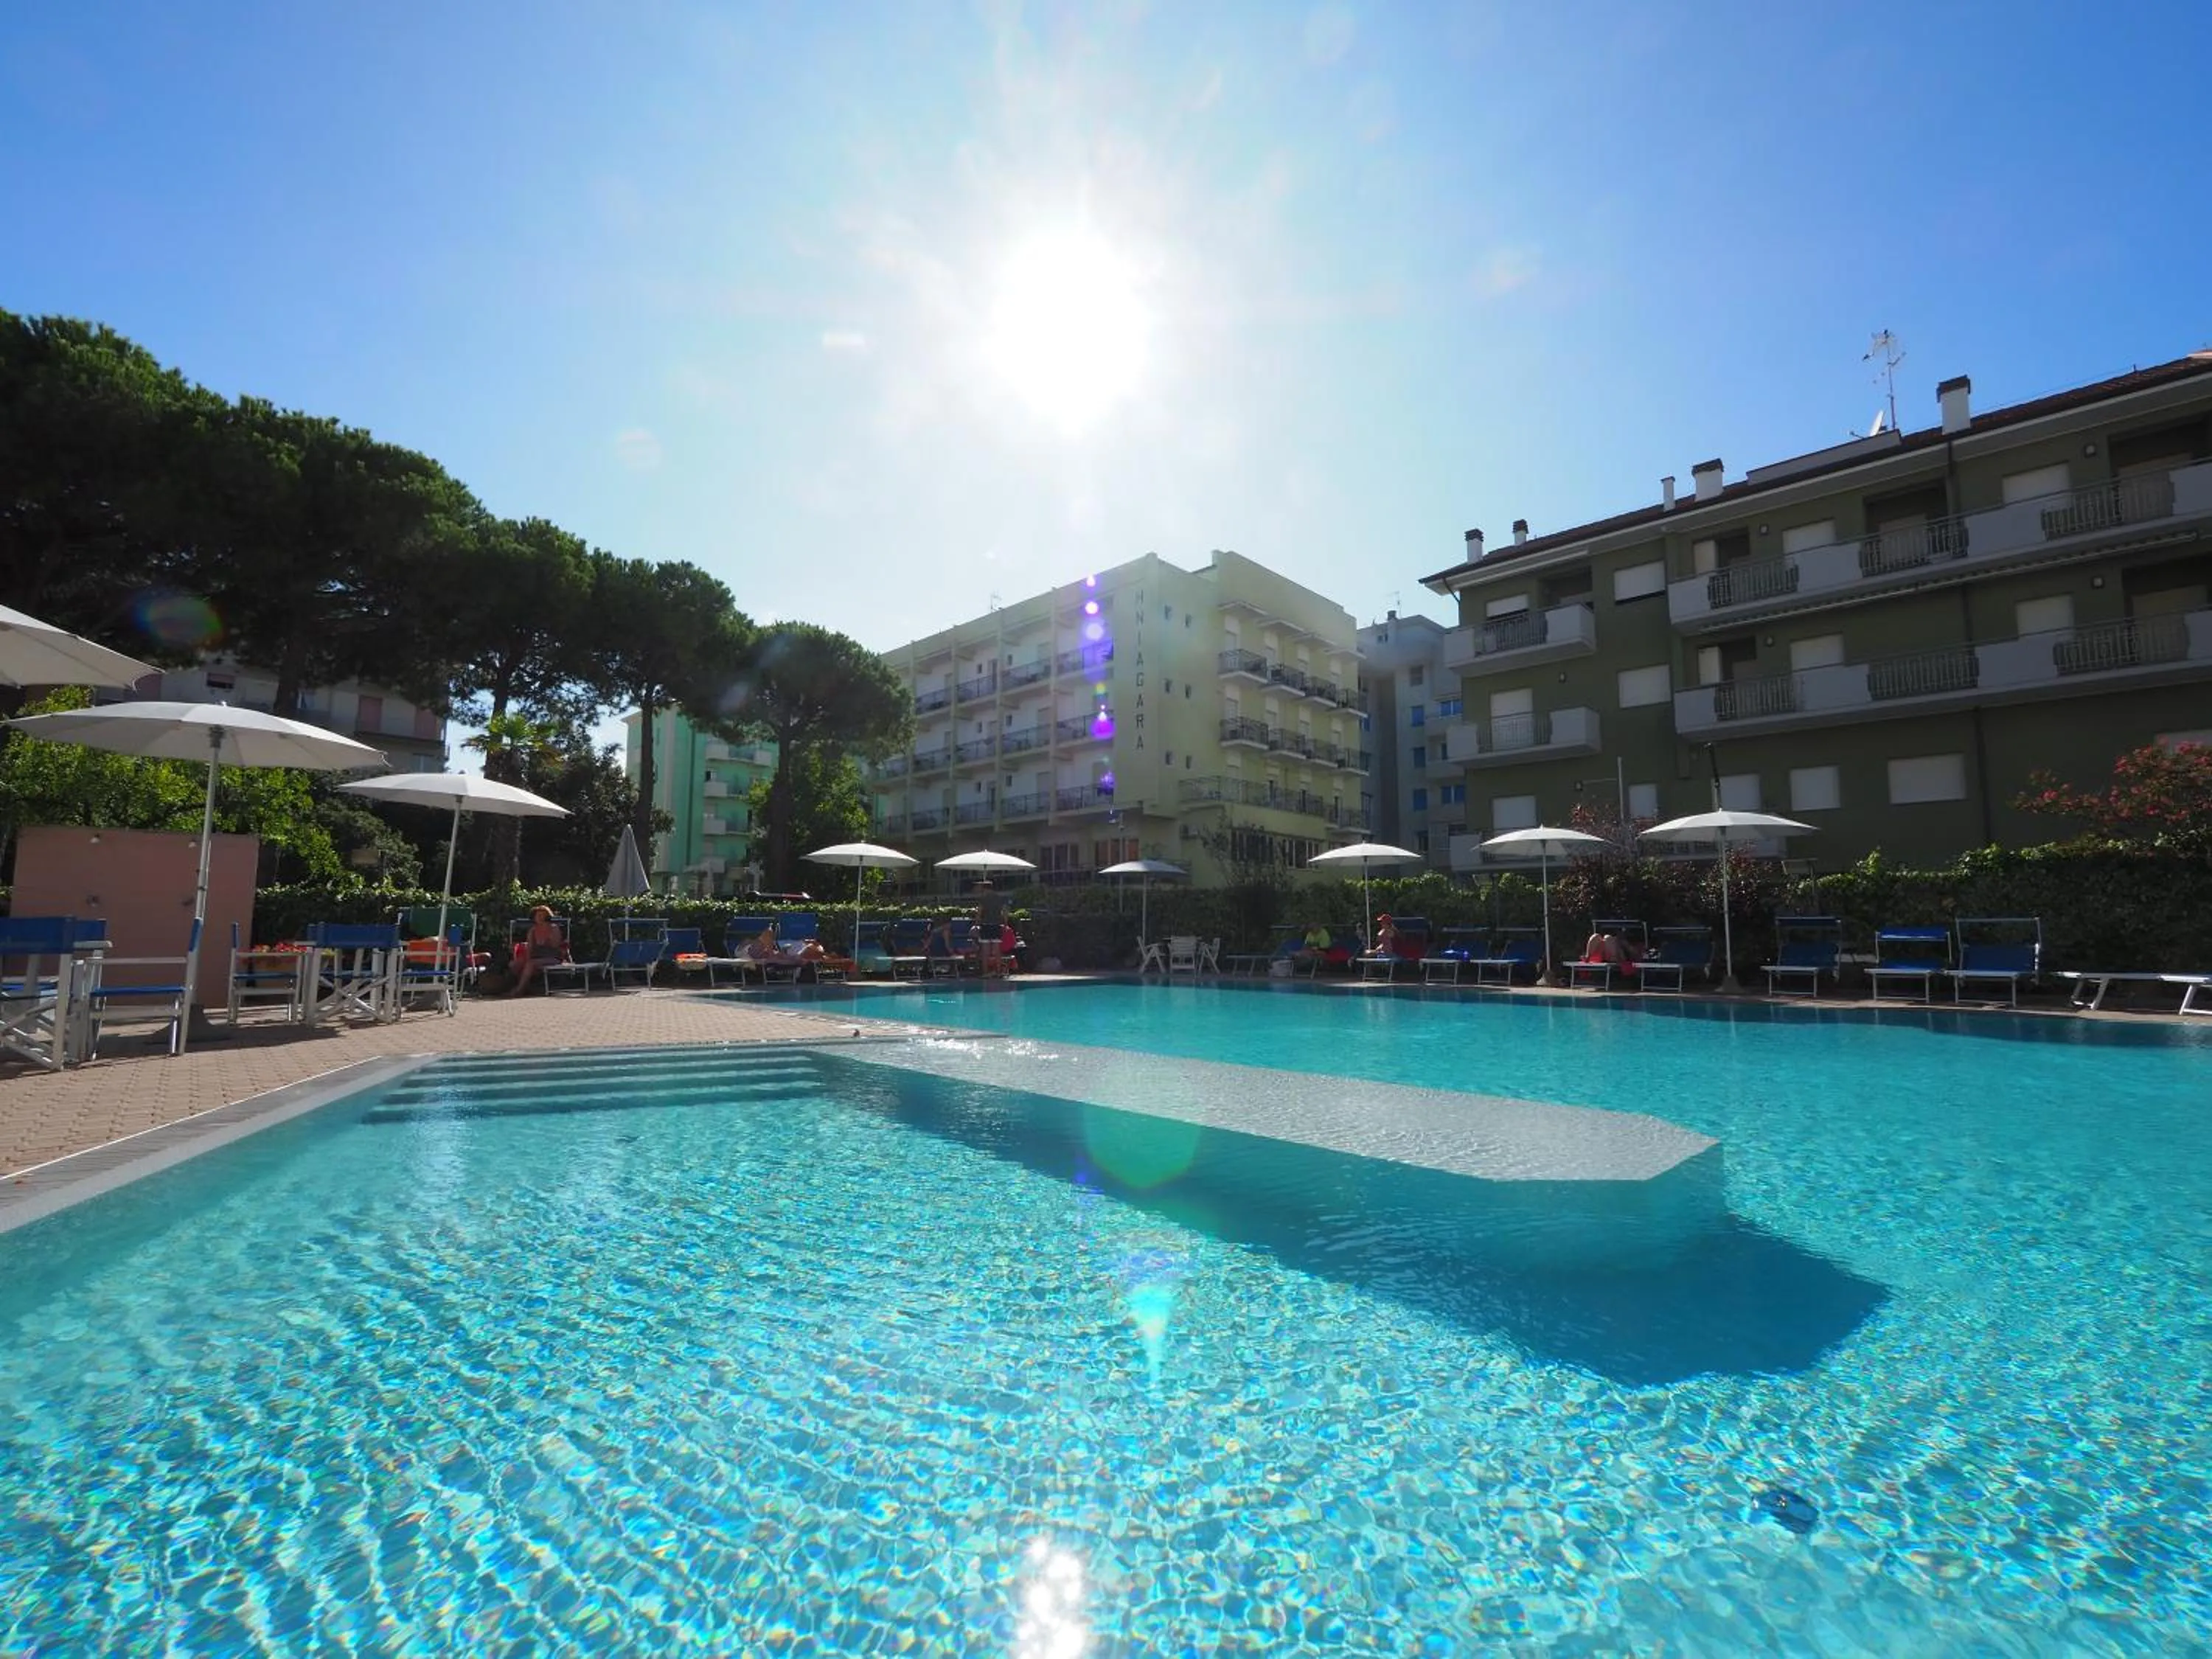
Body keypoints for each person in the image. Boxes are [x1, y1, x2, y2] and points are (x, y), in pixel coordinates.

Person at [504, 906, 567, 995]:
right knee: (515, 964)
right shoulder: (533, 930)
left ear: (547, 917)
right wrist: (526, 959)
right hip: (537, 957)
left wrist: (548, 940)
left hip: (552, 957)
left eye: (543, 915)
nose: (540, 918)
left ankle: (519, 989)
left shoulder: (553, 928)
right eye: (538, 916)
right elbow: (530, 948)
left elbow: (556, 945)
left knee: (531, 964)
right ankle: (527, 987)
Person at [973, 880, 1005, 973]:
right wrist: (1005, 923)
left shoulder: (983, 899)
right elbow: (1005, 912)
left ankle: (985, 972)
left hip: (986, 925)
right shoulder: (999, 898)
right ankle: (999, 971)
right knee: (997, 950)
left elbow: (979, 914)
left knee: (985, 950)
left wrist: (976, 925)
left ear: (984, 888)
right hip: (996, 925)